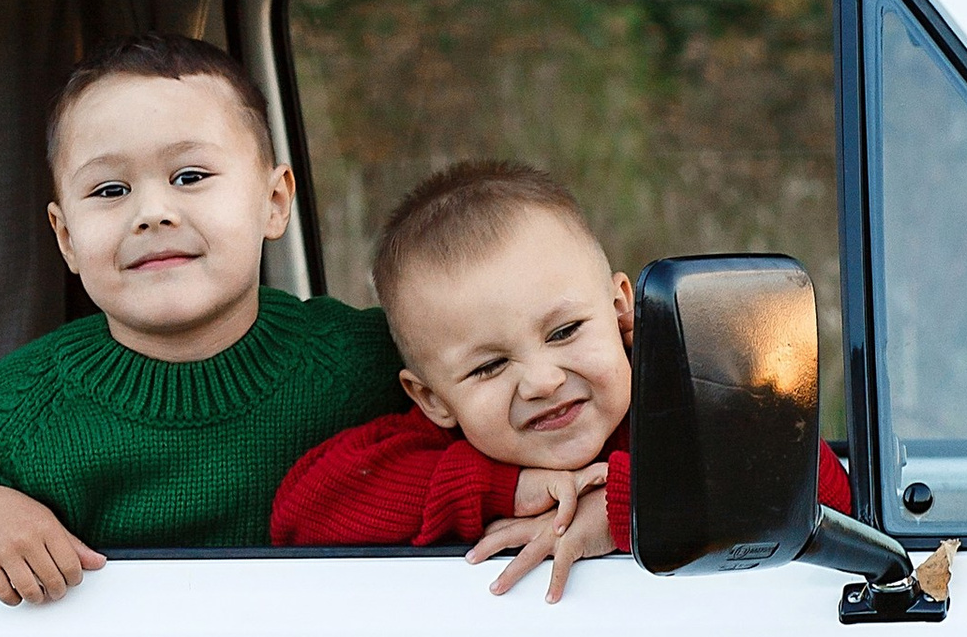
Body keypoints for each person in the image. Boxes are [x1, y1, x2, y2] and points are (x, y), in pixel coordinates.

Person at [0, 31, 399, 602]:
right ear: (66, 237)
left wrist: (506, 495)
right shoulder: (26, 404)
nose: (153, 213)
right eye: (111, 189)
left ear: (274, 202)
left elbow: (483, 412)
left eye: (190, 177)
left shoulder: (364, 362)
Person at [273, 158, 850, 599]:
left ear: (624, 310)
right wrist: (506, 490)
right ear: (431, 399)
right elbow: (302, 512)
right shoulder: (437, 448)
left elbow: (822, 497)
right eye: (489, 366)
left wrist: (627, 510)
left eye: (565, 331)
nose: (542, 381)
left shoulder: (693, 407)